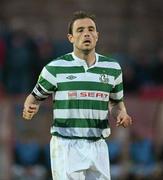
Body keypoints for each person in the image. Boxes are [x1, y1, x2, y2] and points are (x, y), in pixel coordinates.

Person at [22, 11, 132, 180]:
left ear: (97, 35)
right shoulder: (54, 68)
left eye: (91, 29)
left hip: (98, 144)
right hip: (67, 144)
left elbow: (116, 103)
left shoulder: (113, 68)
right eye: (80, 30)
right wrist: (30, 106)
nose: (86, 33)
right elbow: (34, 97)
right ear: (70, 38)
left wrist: (122, 114)